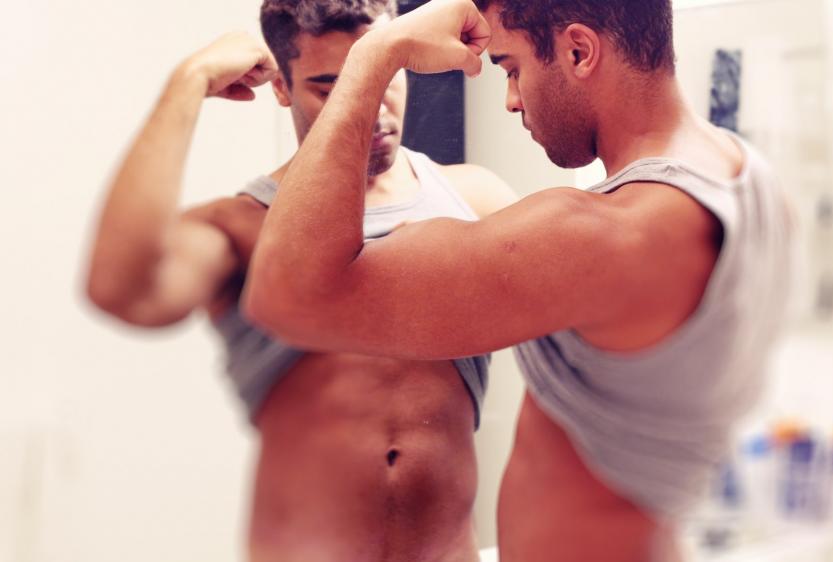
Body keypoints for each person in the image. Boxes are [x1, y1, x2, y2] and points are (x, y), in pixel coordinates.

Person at [244, 0, 794, 560]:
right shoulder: (748, 176)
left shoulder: (603, 236)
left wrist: (376, 54)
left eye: (511, 68)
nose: (510, 99)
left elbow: (292, 293)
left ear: (578, 51)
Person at [85, 1, 517, 560]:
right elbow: (124, 291)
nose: (368, 104)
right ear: (281, 89)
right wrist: (187, 82)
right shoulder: (244, 227)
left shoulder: (475, 199)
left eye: (385, 71)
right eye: (328, 85)